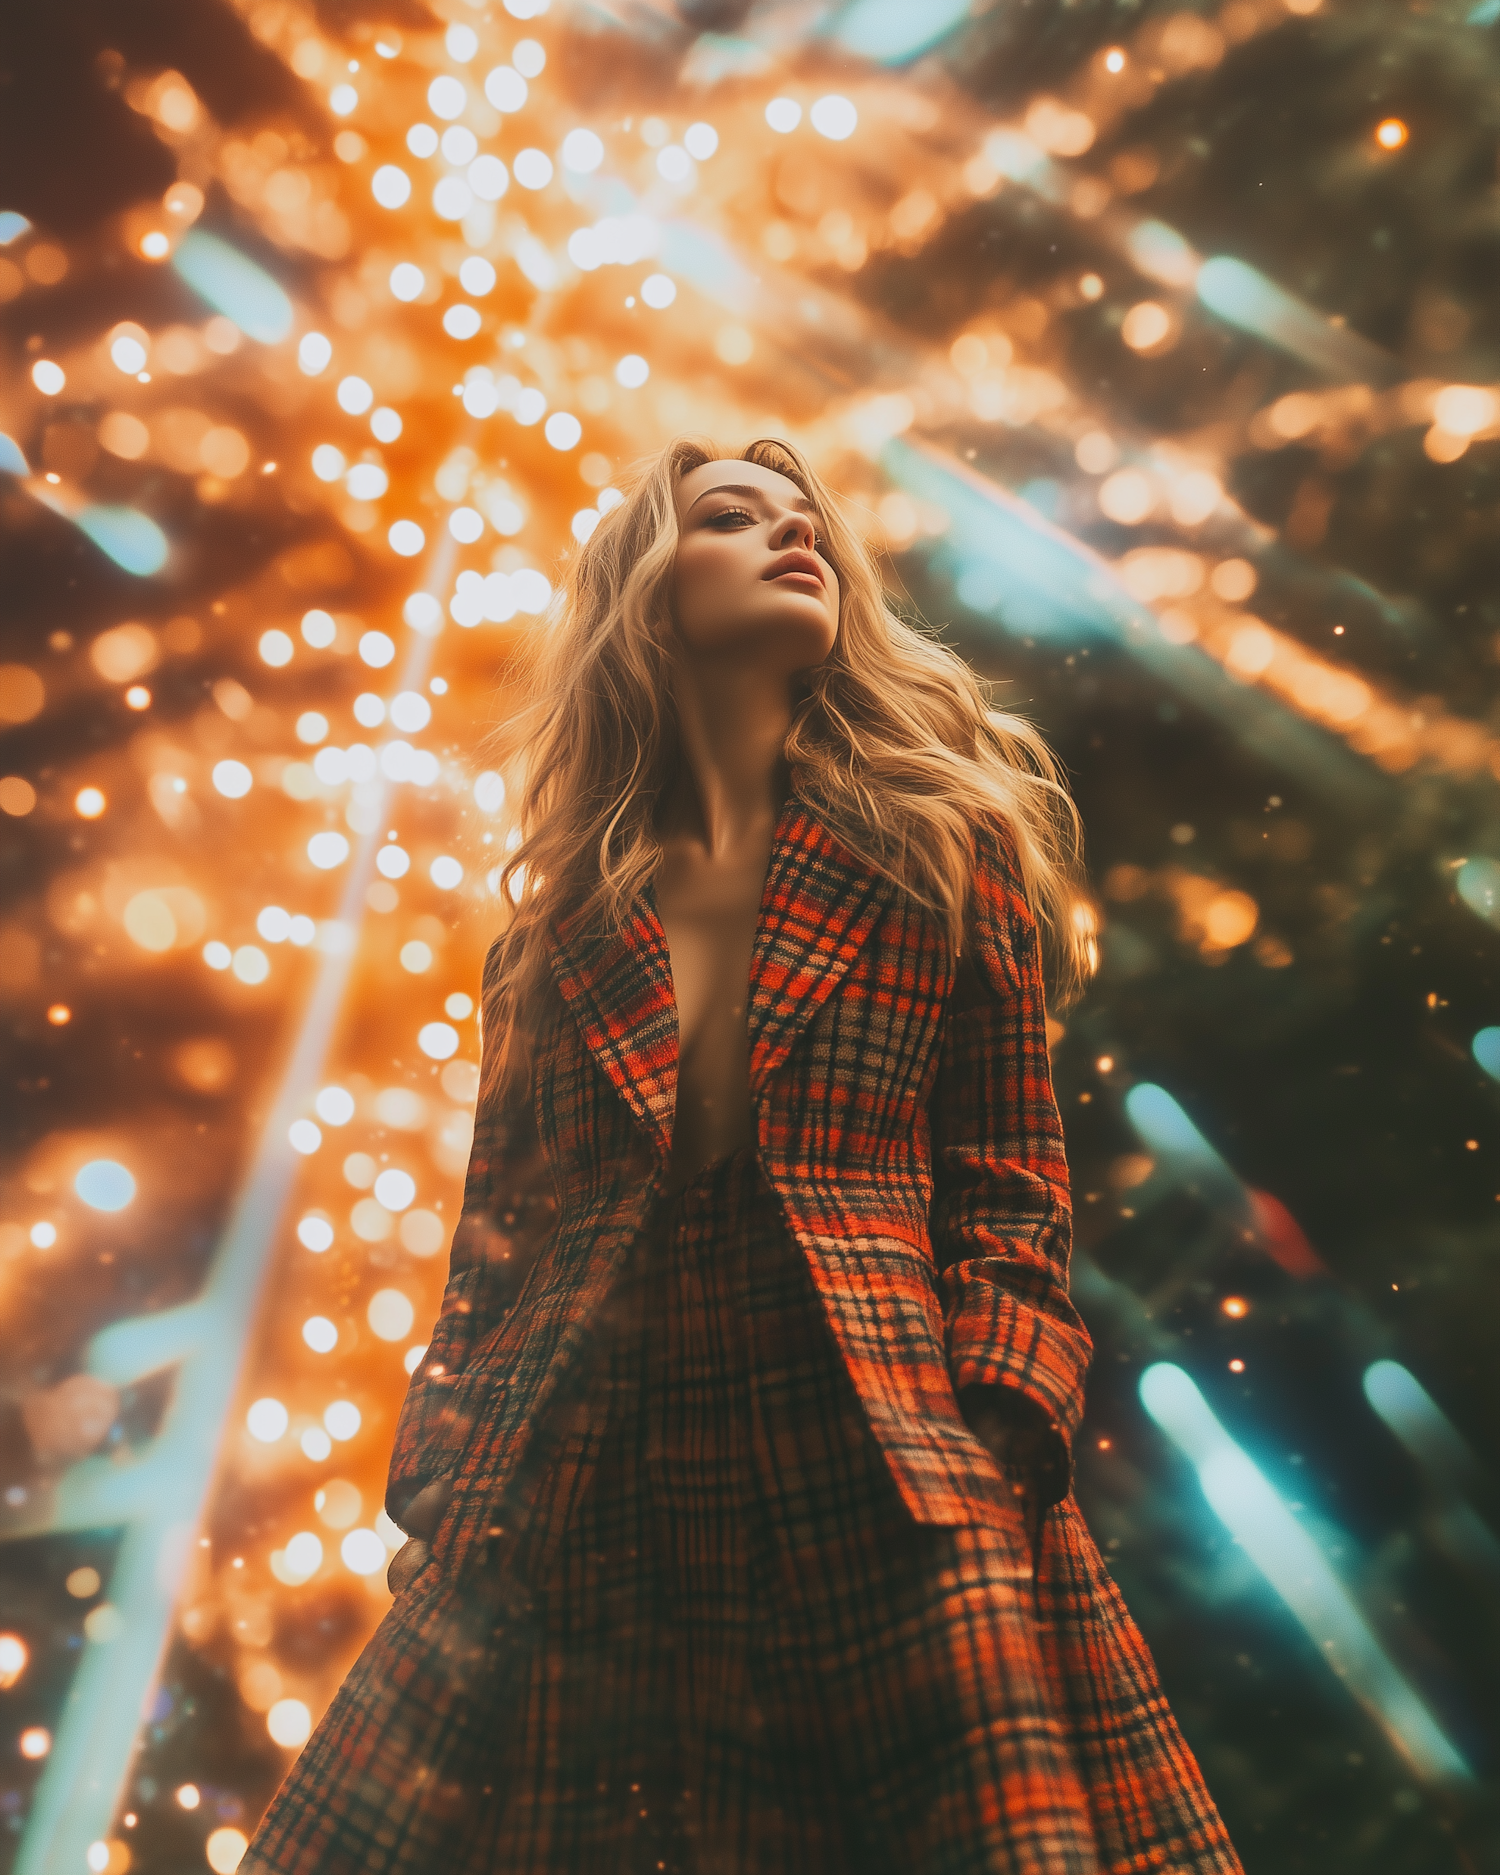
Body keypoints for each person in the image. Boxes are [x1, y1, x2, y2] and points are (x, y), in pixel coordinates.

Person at [245, 437, 1241, 1874]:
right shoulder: (554, 934)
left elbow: (1010, 1179)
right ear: (647, 594)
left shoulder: (934, 845)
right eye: (733, 517)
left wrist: (1002, 1406)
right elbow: (495, 1249)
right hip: (585, 1465)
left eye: (807, 522)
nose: (796, 537)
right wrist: (446, 1484)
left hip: (887, 1433)